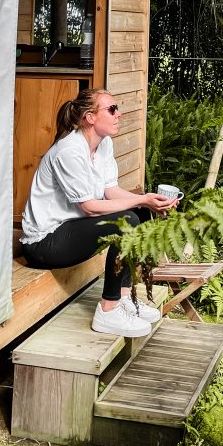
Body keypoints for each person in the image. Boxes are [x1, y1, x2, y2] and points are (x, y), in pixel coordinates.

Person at [20, 88, 177, 337]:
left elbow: (110, 191)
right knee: (126, 220)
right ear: (89, 117)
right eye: (112, 109)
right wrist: (143, 200)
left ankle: (124, 298)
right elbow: (90, 206)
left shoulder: (103, 145)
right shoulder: (69, 151)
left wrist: (148, 201)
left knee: (140, 213)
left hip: (71, 230)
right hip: (44, 243)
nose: (119, 114)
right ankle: (108, 309)